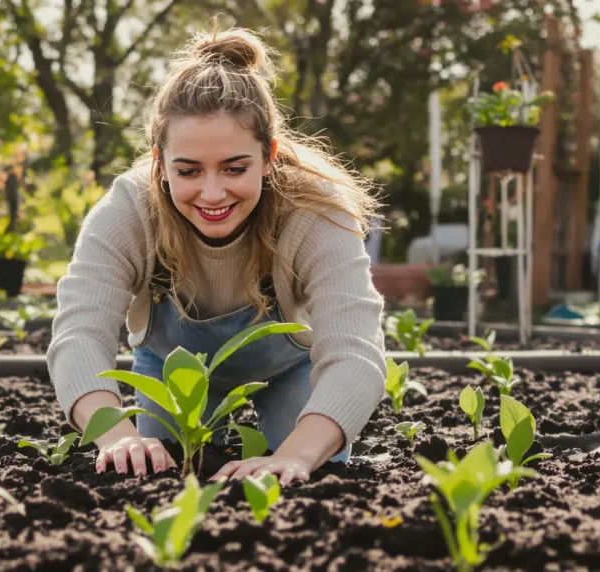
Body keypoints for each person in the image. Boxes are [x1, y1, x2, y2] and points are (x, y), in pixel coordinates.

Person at [47, 26, 386, 486]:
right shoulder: (128, 210)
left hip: (290, 368)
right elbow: (79, 334)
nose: (212, 193)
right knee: (158, 474)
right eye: (188, 170)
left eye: (235, 168)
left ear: (269, 156)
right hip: (174, 372)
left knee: (308, 477)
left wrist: (297, 456)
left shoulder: (314, 212)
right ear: (159, 162)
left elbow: (356, 352)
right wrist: (115, 435)